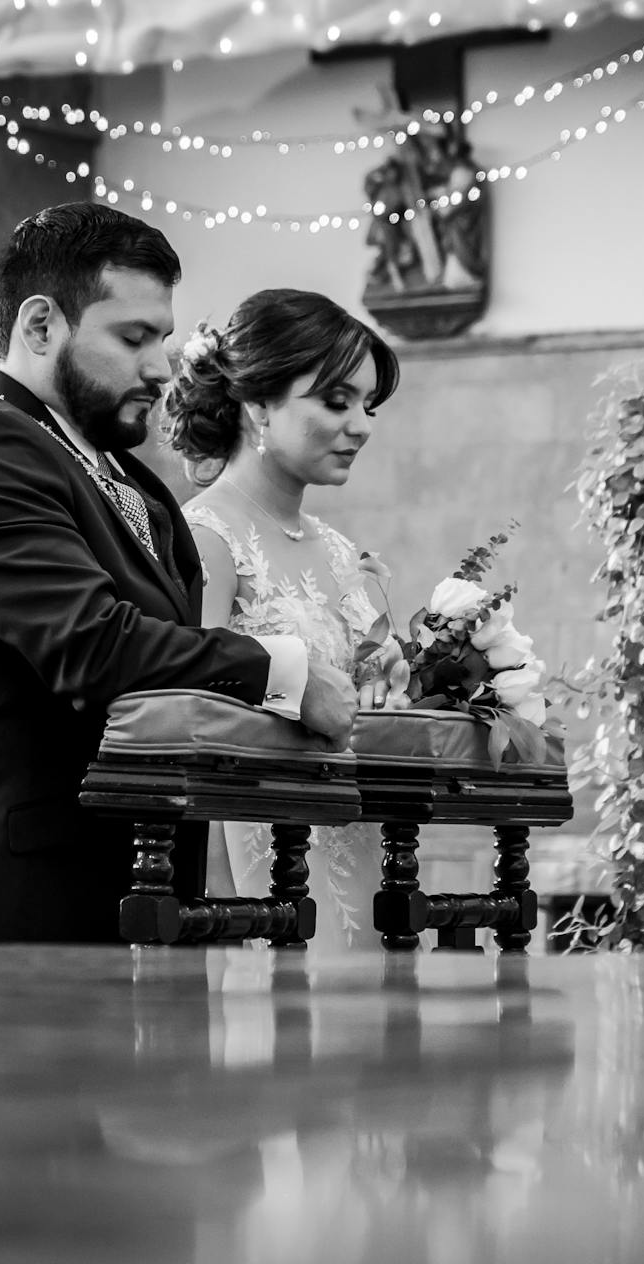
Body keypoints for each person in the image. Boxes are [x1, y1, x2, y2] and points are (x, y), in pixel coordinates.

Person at [0, 204, 358, 944]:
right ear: (41, 327)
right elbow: (93, 645)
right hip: (6, 904)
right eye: (132, 337)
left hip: (136, 885)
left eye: (162, 338)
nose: (160, 367)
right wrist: (282, 669)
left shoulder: (125, 476)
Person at [163, 288, 403, 952]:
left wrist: (388, 679)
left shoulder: (336, 548)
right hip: (259, 860)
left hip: (361, 845)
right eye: (336, 401)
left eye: (367, 404)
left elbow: (359, 698)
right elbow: (188, 696)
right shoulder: (204, 536)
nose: (361, 425)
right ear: (259, 406)